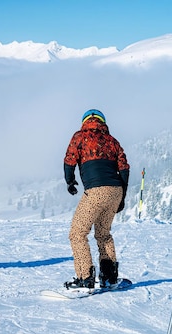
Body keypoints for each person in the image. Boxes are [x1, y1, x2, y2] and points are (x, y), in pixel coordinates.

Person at [64, 109, 129, 289]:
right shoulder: (112, 141)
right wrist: (122, 195)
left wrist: (70, 181)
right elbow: (124, 168)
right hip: (115, 190)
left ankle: (85, 277)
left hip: (96, 191)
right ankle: (110, 277)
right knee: (103, 234)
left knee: (77, 233)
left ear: (85, 121)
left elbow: (69, 160)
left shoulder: (80, 137)